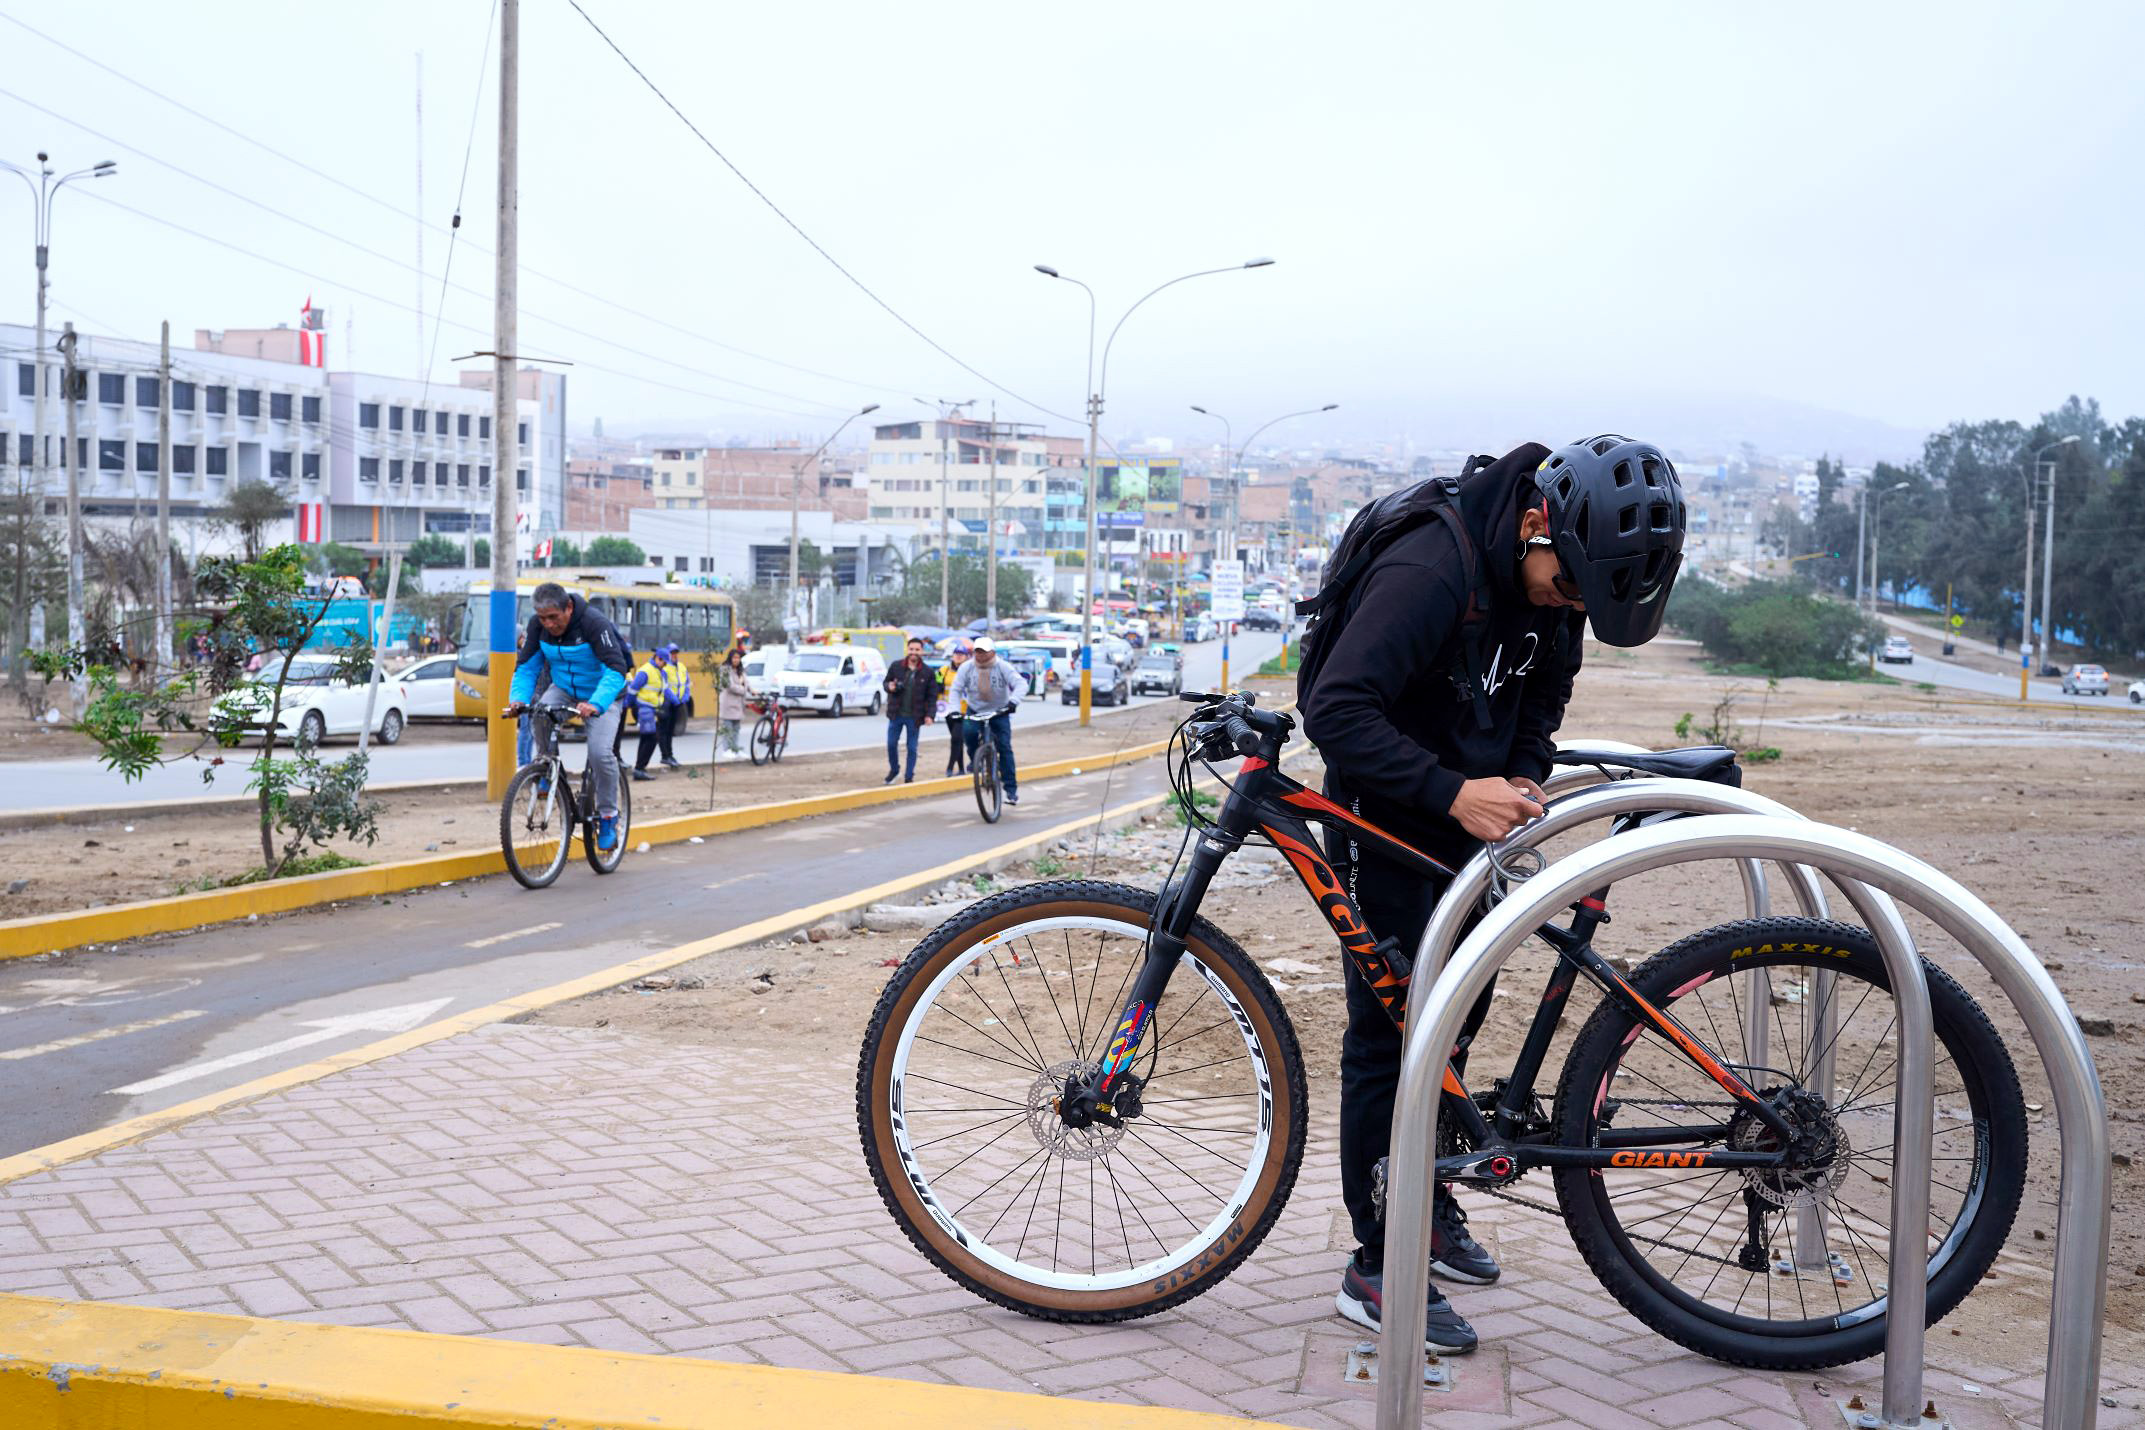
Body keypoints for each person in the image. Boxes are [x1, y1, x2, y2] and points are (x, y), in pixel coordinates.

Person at [1299, 436, 1687, 1355]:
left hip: (1471, 829)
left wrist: (1517, 780)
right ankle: (1376, 1263)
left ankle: (1425, 1203)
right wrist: (1449, 792)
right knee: (1391, 1038)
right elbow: (1338, 708)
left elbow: (1543, 700)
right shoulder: (1432, 567)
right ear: (1530, 525)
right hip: (1384, 818)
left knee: (1452, 1030)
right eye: (1566, 589)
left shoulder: (1563, 577)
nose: (1570, 607)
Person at [506, 581, 633, 852]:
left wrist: (596, 703)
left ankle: (609, 816)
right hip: (563, 688)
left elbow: (616, 668)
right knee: (538, 713)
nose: (549, 624)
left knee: (600, 753)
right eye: (543, 618)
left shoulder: (592, 623)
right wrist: (517, 699)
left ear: (569, 607)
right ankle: (549, 768)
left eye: (554, 617)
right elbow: (527, 667)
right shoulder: (537, 627)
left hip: (603, 693)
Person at [948, 636, 1022, 804]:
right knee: (968, 732)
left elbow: (1020, 684)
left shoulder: (1002, 666)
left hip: (1000, 711)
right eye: (977, 652)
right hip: (975, 710)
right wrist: (954, 710)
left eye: (984, 652)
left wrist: (1013, 702)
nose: (980, 656)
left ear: (992, 652)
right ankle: (977, 760)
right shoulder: (967, 668)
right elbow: (956, 690)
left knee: (1004, 748)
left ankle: (1011, 790)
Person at [882, 636, 938, 783]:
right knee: (891, 744)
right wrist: (890, 687)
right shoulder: (896, 666)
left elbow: (932, 696)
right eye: (911, 649)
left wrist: (930, 715)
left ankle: (909, 776)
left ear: (922, 652)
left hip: (915, 716)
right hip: (896, 714)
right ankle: (894, 770)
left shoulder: (927, 672)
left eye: (917, 650)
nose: (914, 652)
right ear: (907, 650)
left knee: (912, 748)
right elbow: (886, 682)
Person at [625, 646, 681, 780]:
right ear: (657, 658)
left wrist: (676, 701)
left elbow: (666, 690)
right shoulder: (645, 671)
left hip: (652, 709)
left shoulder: (661, 672)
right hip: (644, 708)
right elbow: (633, 690)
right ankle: (639, 769)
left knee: (647, 738)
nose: (665, 665)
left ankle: (640, 769)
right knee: (651, 738)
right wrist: (628, 704)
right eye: (664, 662)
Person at [714, 646, 749, 759]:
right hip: (728, 704)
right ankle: (727, 749)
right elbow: (730, 686)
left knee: (736, 728)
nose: (736, 660)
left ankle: (735, 748)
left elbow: (747, 683)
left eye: (738, 658)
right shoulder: (725, 669)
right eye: (734, 657)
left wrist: (752, 691)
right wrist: (743, 690)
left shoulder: (740, 671)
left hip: (738, 704)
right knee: (727, 728)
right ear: (730, 658)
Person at [942, 643, 971, 775]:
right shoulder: (944, 671)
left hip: (964, 711)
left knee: (956, 738)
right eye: (956, 654)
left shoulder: (970, 671)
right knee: (957, 740)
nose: (958, 657)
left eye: (961, 654)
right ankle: (961, 769)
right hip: (948, 710)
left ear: (966, 657)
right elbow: (937, 686)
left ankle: (949, 767)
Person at [664, 643, 691, 739]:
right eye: (672, 653)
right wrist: (673, 698)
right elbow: (664, 686)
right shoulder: (665, 667)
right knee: (667, 725)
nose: (674, 655)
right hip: (668, 701)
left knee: (674, 723)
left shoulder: (682, 666)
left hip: (680, 701)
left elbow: (687, 683)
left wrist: (686, 696)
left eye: (676, 653)